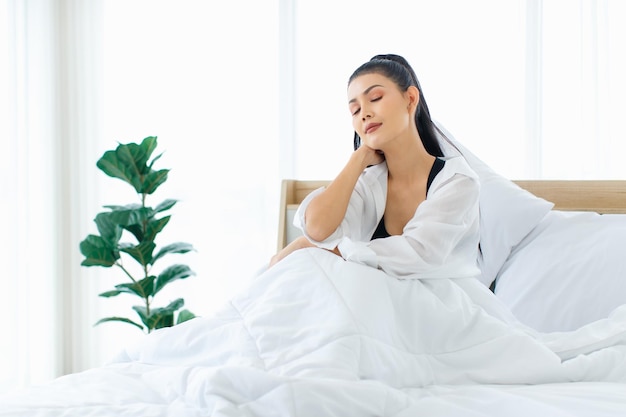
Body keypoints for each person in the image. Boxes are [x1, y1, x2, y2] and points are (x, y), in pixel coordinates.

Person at [270, 54, 480, 280]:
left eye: (375, 98)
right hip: (376, 300)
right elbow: (317, 230)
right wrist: (358, 159)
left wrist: (327, 249)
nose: (365, 113)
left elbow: (419, 254)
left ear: (410, 99)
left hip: (445, 302)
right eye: (355, 110)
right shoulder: (370, 183)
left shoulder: (457, 181)